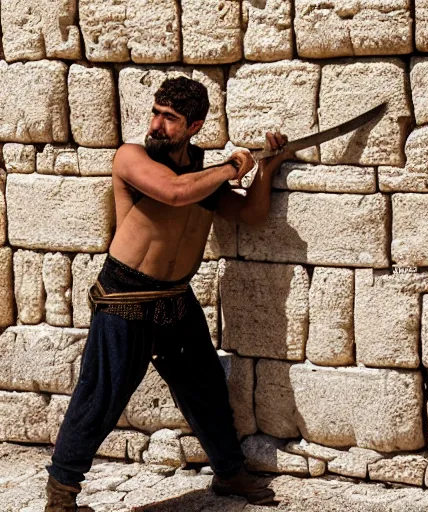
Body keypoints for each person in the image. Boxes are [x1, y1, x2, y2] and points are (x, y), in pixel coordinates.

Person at [44, 76, 294, 511]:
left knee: (206, 387)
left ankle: (230, 473)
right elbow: (176, 193)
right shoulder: (133, 158)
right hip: (126, 296)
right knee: (100, 394)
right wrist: (235, 166)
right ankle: (61, 496)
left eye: (171, 119)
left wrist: (266, 170)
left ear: (194, 126)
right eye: (156, 113)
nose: (157, 125)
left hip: (175, 298)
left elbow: (251, 214)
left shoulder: (203, 175)